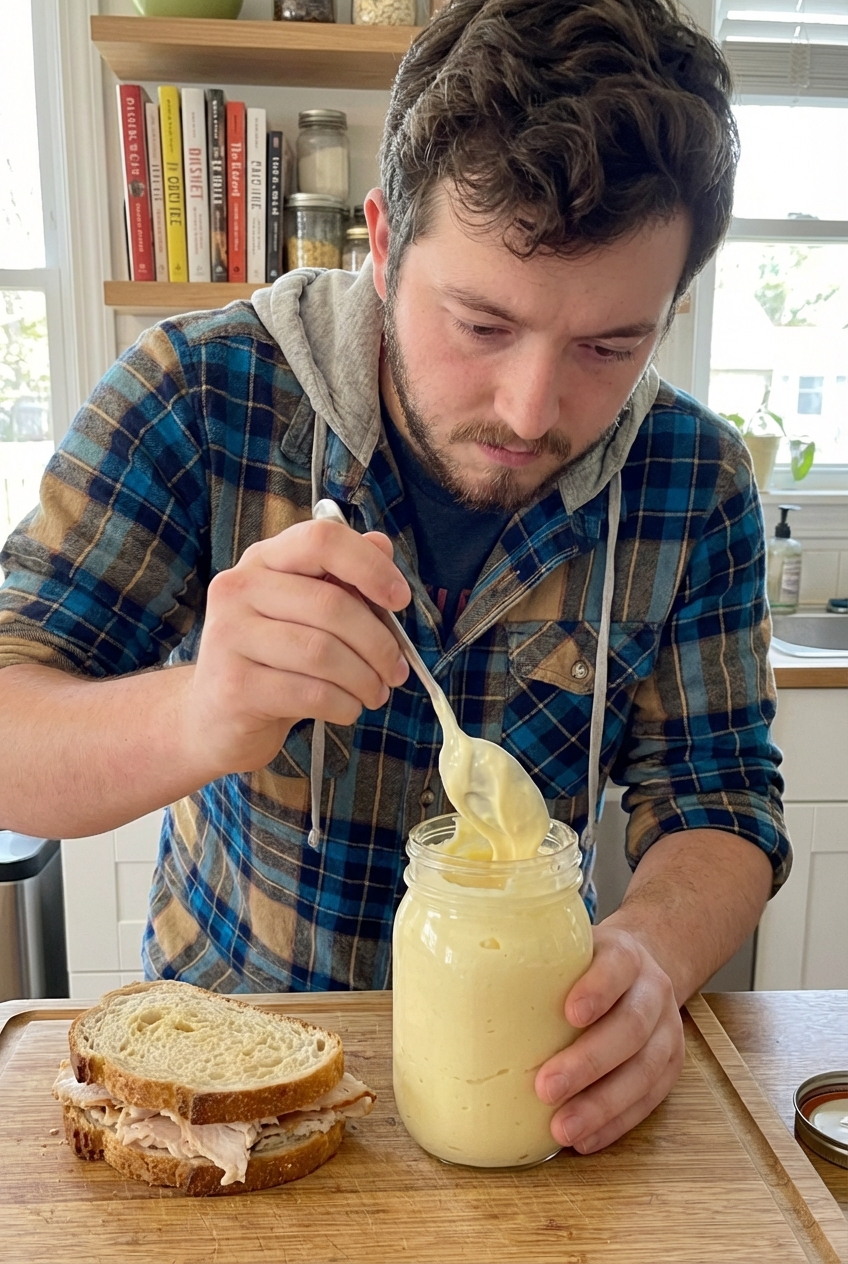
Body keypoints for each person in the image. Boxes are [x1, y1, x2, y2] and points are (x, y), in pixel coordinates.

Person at [0, 0, 790, 1157]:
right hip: (228, 1093)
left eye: (607, 347)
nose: (529, 410)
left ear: (666, 314)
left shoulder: (694, 481)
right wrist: (198, 712)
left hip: (526, 1078)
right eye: (480, 324)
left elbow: (721, 803)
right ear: (379, 243)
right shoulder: (198, 397)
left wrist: (650, 956)